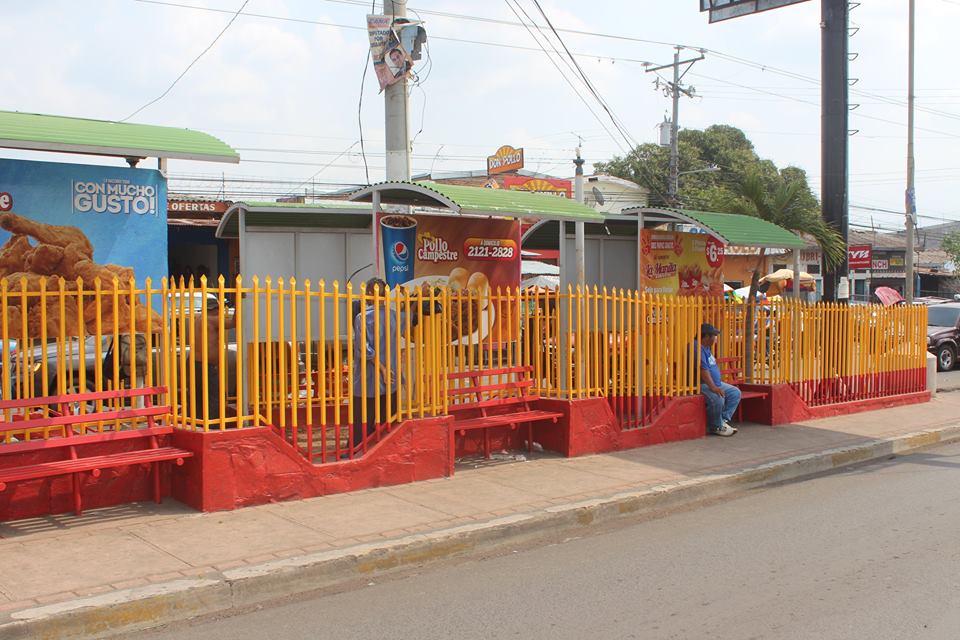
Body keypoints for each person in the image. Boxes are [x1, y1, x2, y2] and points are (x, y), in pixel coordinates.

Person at [351, 278, 439, 454]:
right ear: (385, 294)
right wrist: (419, 297)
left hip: (367, 379)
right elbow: (413, 317)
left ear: (368, 294)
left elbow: (365, 349)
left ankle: (358, 450)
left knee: (363, 419)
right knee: (387, 419)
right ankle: (383, 450)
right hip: (391, 376)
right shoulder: (394, 315)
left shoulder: (362, 318)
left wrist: (381, 369)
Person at [193, 295, 236, 426]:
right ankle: (214, 425)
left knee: (200, 397)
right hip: (207, 365)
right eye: (217, 309)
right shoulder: (211, 320)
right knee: (215, 396)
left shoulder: (198, 319)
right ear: (212, 310)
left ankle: (200, 423)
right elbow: (234, 323)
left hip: (196, 363)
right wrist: (239, 302)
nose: (219, 312)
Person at [699, 323, 740, 437]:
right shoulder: (697, 347)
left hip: (715, 383)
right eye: (714, 336)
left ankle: (722, 421)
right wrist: (714, 387)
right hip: (703, 384)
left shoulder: (706, 348)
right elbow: (703, 369)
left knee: (735, 393)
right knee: (718, 399)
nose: (715, 338)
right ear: (707, 336)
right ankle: (716, 426)